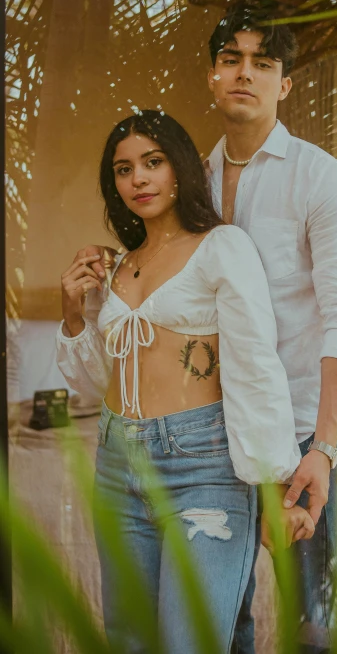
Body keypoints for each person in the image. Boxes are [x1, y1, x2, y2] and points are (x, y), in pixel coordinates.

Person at [84, 7, 337, 652]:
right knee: (226, 620)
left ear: (285, 84)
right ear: (212, 76)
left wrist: (323, 448)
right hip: (212, 437)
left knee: (312, 625)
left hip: (302, 427)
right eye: (231, 59)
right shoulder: (188, 178)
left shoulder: (325, 182)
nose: (245, 74)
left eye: (263, 63)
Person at [56, 110, 314, 654]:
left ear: (180, 170)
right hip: (116, 462)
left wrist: (271, 491)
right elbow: (93, 382)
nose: (139, 179)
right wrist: (74, 314)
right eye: (124, 170)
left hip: (203, 467)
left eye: (153, 162)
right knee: (129, 639)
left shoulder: (223, 247)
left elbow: (254, 370)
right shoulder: (121, 266)